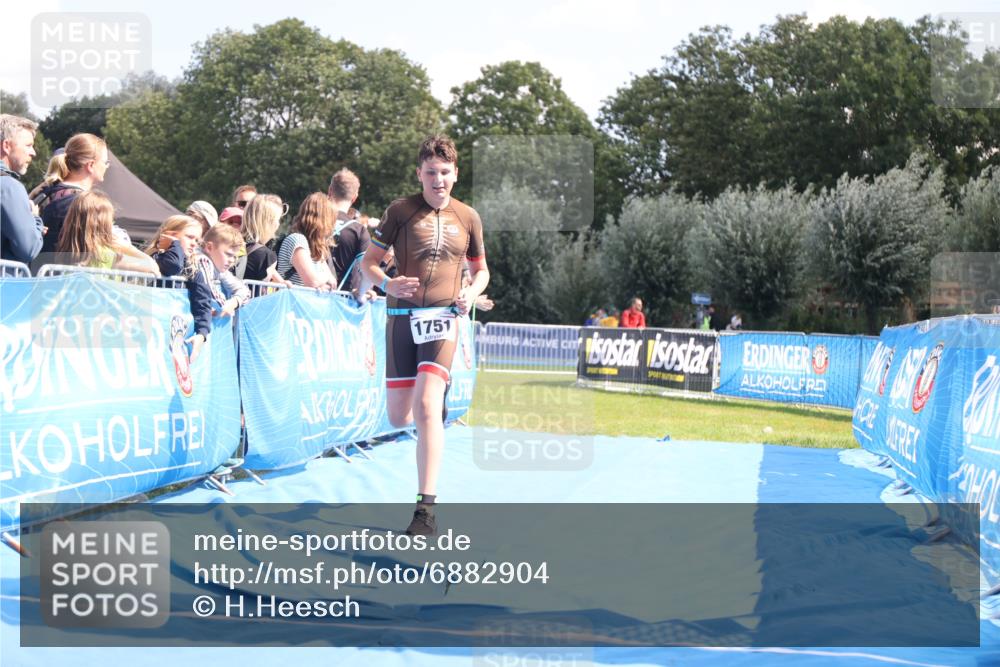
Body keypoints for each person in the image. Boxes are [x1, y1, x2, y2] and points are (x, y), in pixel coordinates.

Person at [360, 134, 489, 536]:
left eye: (445, 173)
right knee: (401, 416)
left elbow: (482, 270)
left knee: (428, 406)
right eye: (430, 173)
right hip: (400, 318)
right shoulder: (400, 211)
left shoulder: (468, 217)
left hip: (444, 319)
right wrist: (387, 285)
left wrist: (470, 291)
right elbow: (369, 263)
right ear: (419, 174)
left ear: (456, 175)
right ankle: (433, 410)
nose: (438, 180)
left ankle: (425, 511)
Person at [35, 133, 110, 255]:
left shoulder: (45, 193)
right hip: (68, 271)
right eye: (105, 162)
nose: (107, 167)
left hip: (36, 270)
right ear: (90, 165)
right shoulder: (85, 203)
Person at [186, 224, 251, 363]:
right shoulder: (203, 259)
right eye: (228, 254)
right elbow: (208, 290)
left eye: (234, 256)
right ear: (209, 248)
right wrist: (223, 304)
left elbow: (245, 291)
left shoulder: (218, 267)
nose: (232, 261)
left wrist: (233, 303)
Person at [56, 190, 159, 275]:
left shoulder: (67, 252)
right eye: (111, 219)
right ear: (103, 223)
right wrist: (126, 247)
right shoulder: (106, 256)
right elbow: (152, 267)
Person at [0, 114, 43, 264]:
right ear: (6, 146)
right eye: (28, 145)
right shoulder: (9, 187)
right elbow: (29, 249)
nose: (33, 152)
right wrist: (35, 220)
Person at [276, 192, 338, 289]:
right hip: (291, 302)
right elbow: (313, 282)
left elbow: (333, 283)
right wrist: (326, 278)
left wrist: (324, 282)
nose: (333, 226)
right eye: (332, 220)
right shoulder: (297, 240)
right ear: (322, 220)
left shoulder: (316, 246)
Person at [328, 168, 372, 295]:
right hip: (344, 300)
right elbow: (367, 269)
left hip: (310, 296)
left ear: (330, 190)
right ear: (354, 197)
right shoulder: (359, 230)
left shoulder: (313, 222)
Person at [234, 193, 286, 282]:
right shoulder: (266, 256)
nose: (278, 224)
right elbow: (263, 292)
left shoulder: (231, 244)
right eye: (277, 219)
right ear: (268, 222)